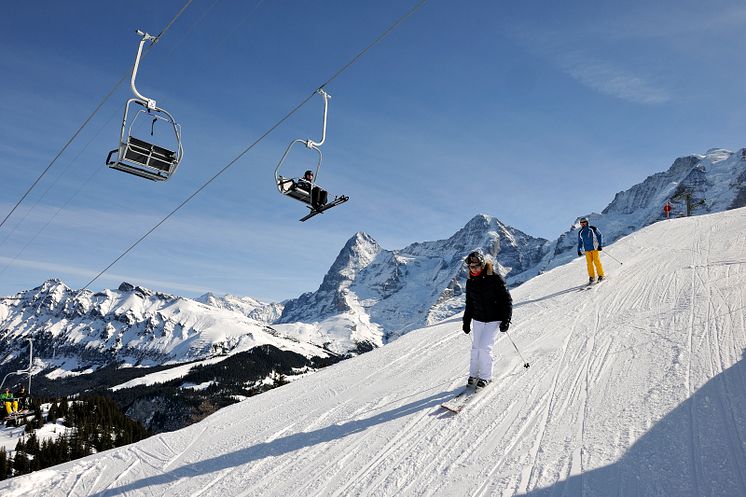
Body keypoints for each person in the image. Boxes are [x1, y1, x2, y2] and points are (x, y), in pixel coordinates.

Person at [461, 251, 513, 389]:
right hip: (478, 319)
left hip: (494, 318)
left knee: (484, 347)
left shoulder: (495, 278)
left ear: (483, 264)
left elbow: (507, 299)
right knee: (476, 347)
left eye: (477, 266)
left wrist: (506, 319)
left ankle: (485, 376)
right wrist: (466, 322)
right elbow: (470, 303)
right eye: (471, 267)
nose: (474, 269)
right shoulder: (470, 281)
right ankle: (473, 374)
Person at [577, 217, 605, 284]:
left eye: (584, 222)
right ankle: (592, 277)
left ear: (587, 222)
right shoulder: (580, 232)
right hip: (587, 250)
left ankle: (601, 275)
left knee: (596, 261)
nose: (583, 224)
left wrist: (600, 245)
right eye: (582, 223)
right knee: (589, 264)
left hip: (594, 248)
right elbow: (580, 242)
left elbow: (599, 236)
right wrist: (579, 250)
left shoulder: (592, 228)